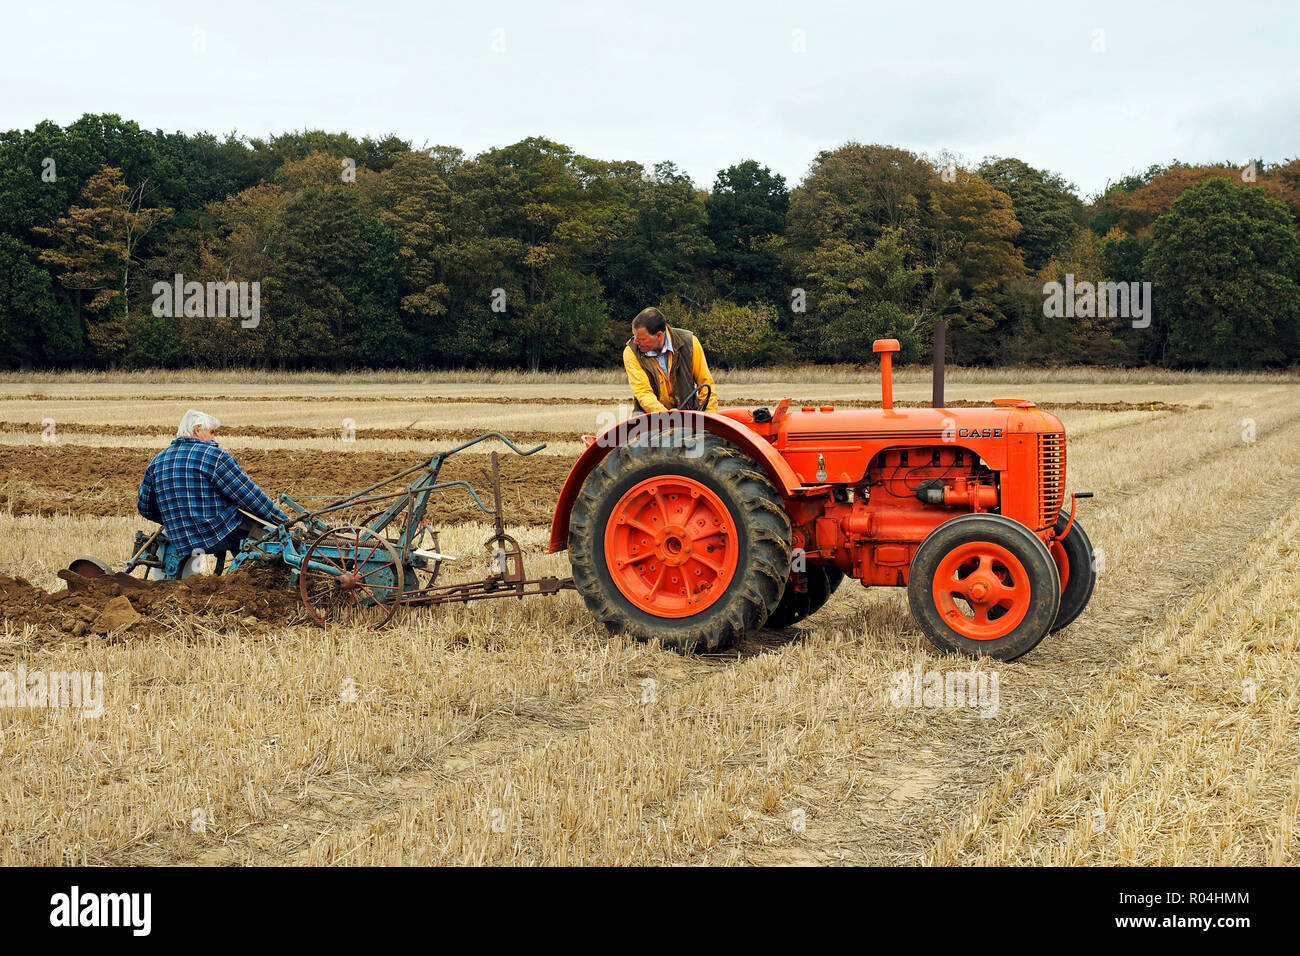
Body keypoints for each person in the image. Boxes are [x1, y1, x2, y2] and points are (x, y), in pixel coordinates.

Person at [137, 410, 289, 577]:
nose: (214, 438)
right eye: (212, 432)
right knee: (264, 536)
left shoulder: (158, 461)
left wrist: (173, 520)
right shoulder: (213, 456)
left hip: (181, 538)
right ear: (197, 430)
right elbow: (248, 496)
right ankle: (258, 580)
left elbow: (145, 507)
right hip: (215, 532)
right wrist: (283, 522)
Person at [622, 307, 719, 414]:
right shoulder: (631, 352)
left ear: (659, 335)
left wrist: (710, 417)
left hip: (688, 412)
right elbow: (643, 393)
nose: (635, 342)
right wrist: (667, 416)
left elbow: (706, 383)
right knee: (637, 429)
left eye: (641, 339)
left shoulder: (690, 343)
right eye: (634, 336)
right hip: (648, 414)